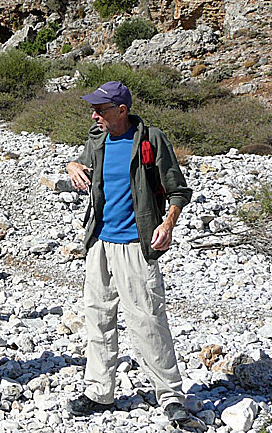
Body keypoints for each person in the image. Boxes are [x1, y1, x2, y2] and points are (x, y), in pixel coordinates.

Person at [65, 81, 202, 429]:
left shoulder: (150, 139)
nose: (94, 115)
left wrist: (168, 224)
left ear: (121, 111)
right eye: (93, 110)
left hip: (135, 246)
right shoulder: (96, 139)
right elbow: (81, 167)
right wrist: (71, 166)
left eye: (101, 110)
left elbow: (178, 190)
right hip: (98, 243)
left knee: (148, 322)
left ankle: (171, 398)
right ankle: (100, 392)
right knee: (98, 319)